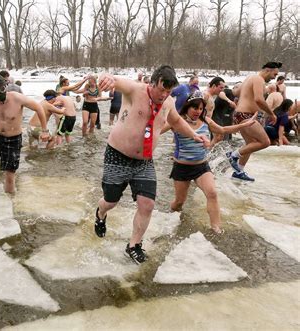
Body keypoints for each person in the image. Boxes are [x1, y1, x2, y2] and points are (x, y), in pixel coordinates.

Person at [95, 65, 209, 264]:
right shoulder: (135, 90)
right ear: (152, 83)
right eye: (161, 89)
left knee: (147, 204)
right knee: (111, 201)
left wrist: (194, 135)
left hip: (144, 161)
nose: (164, 95)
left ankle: (133, 245)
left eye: (168, 91)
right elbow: (115, 79)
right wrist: (106, 78)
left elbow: (176, 122)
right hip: (117, 155)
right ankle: (101, 213)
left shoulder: (169, 102)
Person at [162, 91, 256, 234]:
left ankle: (216, 228)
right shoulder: (177, 121)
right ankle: (173, 217)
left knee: (212, 193)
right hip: (182, 167)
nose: (198, 112)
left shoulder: (206, 120)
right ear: (188, 106)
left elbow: (223, 130)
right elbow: (156, 130)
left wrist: (245, 125)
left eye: (201, 109)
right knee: (179, 202)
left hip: (201, 166)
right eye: (195, 108)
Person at [0, 75, 50, 193]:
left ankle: (10, 201)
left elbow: (39, 108)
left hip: (13, 140)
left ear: (2, 90)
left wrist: (44, 130)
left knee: (9, 178)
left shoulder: (17, 98)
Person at [226, 62, 281, 182]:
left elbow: (237, 93)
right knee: (265, 142)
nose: (274, 77)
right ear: (268, 70)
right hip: (245, 115)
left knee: (250, 143)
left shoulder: (250, 77)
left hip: (241, 114)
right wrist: (271, 114)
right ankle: (233, 155)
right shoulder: (258, 79)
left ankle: (238, 171)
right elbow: (259, 99)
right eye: (274, 74)